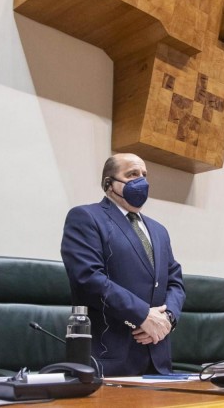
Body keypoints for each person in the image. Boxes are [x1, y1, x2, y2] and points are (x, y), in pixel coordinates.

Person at [61, 153, 185, 376]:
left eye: (144, 175)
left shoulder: (159, 230)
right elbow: (88, 279)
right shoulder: (86, 217)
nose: (141, 181)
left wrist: (168, 319)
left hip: (158, 359)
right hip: (110, 360)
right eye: (132, 174)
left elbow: (175, 281)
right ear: (109, 184)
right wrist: (142, 315)